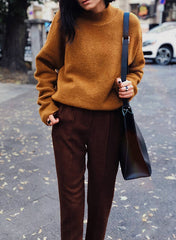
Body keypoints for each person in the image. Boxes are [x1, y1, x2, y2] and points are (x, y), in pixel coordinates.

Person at [34, 0, 145, 239]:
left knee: (101, 197)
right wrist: (47, 105)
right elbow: (45, 65)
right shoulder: (65, 20)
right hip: (68, 120)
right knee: (70, 197)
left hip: (109, 122)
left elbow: (136, 68)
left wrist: (130, 86)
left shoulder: (129, 23)